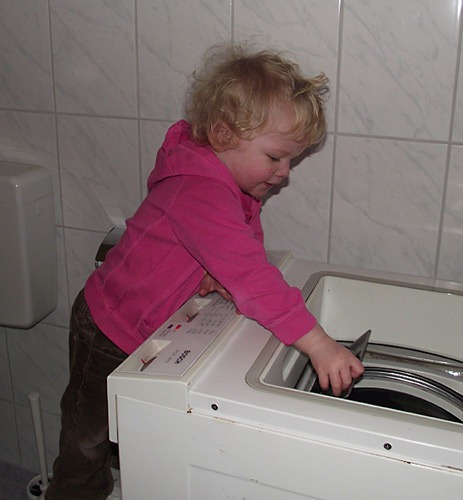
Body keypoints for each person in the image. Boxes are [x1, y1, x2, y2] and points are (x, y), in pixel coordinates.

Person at [44, 44, 364, 499]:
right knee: (87, 440)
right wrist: (318, 343)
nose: (285, 173)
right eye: (275, 157)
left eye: (291, 161)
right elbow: (252, 275)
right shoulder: (199, 189)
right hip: (109, 330)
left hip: (151, 328)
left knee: (129, 434)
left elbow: (239, 249)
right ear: (222, 135)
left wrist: (213, 272)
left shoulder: (233, 185)